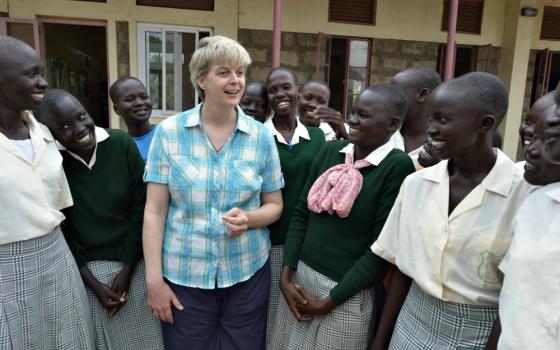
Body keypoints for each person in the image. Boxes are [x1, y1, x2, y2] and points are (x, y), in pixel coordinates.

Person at [370, 72, 532, 350]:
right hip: (412, 321)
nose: (431, 129)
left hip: (480, 334)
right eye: (431, 118)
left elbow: (518, 294)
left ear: (485, 124)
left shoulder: (523, 196)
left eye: (443, 120)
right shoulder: (416, 184)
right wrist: (380, 340)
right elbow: (402, 267)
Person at [143, 35, 284, 350]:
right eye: (224, 72)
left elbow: (274, 205)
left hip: (246, 274)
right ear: (201, 80)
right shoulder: (169, 134)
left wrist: (249, 218)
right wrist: (154, 281)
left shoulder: (261, 137)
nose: (235, 81)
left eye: (240, 72)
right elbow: (155, 211)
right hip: (184, 277)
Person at [269, 84, 415, 350]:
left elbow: (381, 250)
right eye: (354, 112)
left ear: (392, 124)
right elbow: (302, 212)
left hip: (346, 294)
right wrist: (286, 275)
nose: (353, 121)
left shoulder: (396, 166)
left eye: (365, 116)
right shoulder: (330, 151)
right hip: (299, 281)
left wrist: (329, 301)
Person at [36, 89, 164, 350]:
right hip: (86, 273)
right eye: (65, 126)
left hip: (135, 261)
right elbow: (63, 229)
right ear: (51, 135)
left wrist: (128, 268)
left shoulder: (120, 144)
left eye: (81, 116)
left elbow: (142, 208)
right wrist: (93, 284)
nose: (80, 128)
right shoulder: (53, 163)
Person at [0, 36, 94, 349]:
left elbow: (60, 206)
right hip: (7, 266)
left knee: (68, 338)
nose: (43, 82)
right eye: (31, 74)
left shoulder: (42, 132)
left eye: (41, 72)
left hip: (56, 255)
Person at [485, 91, 560, 350]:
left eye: (550, 140)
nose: (532, 149)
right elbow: (512, 299)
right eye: (533, 138)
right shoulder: (536, 202)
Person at [263, 67, 325, 345]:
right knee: (272, 314)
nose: (280, 94)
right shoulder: (258, 138)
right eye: (273, 90)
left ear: (298, 91)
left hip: (308, 244)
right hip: (271, 243)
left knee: (298, 316)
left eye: (285, 87)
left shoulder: (318, 138)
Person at [390, 67, 442, 166]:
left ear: (422, 95)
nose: (389, 100)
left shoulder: (446, 147)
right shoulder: (384, 135)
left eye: (397, 94)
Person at [109, 76, 155, 161]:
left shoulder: (166, 134)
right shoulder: (121, 146)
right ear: (116, 109)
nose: (140, 103)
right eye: (129, 99)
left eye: (144, 97)